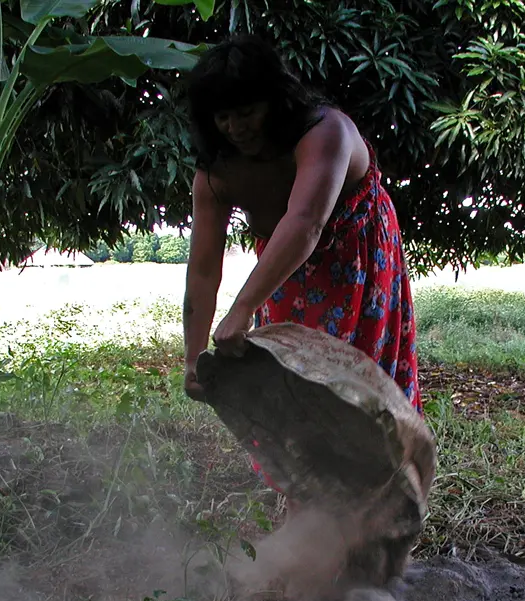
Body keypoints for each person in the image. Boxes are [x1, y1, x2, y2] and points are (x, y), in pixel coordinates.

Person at [180, 35, 421, 413]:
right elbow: (204, 269)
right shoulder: (215, 173)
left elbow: (306, 222)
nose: (235, 127)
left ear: (275, 102)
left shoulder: (326, 131)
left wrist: (241, 309)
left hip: (357, 261)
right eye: (222, 117)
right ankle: (299, 473)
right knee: (287, 387)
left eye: (245, 113)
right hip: (282, 269)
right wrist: (194, 357)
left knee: (358, 390)